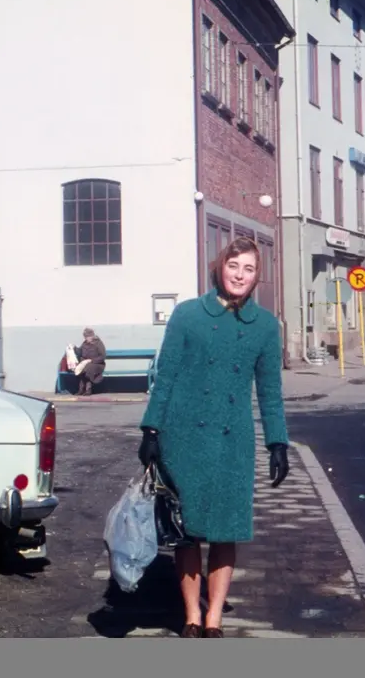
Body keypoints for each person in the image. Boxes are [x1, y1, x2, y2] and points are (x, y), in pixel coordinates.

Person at [135, 236, 290, 638]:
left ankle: (214, 617)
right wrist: (151, 430)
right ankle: (191, 614)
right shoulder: (188, 315)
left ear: (257, 276)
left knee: (225, 529)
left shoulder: (265, 326)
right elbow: (165, 376)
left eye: (248, 269)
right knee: (187, 532)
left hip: (232, 443)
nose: (239, 275)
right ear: (220, 267)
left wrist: (277, 442)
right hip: (183, 438)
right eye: (233, 266)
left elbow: (270, 390)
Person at [74, 327, 106, 396]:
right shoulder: (84, 343)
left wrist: (92, 360)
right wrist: (74, 348)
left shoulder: (98, 343)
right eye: (85, 337)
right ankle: (81, 390)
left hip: (98, 364)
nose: (86, 338)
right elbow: (80, 352)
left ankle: (88, 390)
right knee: (81, 369)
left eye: (87, 337)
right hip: (86, 363)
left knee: (88, 368)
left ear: (92, 336)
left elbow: (103, 356)